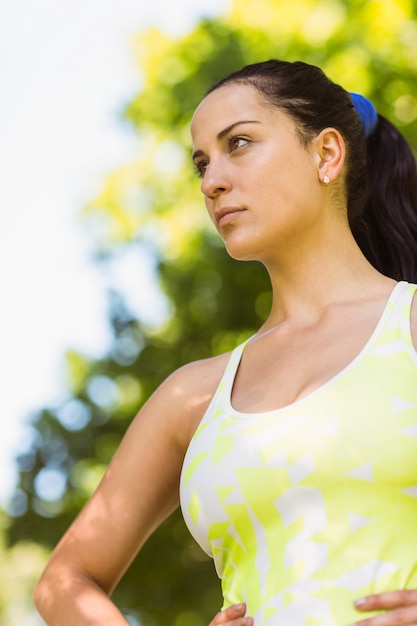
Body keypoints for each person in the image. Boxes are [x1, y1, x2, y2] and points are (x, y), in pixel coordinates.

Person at [34, 59, 417, 626]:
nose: (212, 180)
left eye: (239, 143)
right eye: (202, 163)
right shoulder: (193, 397)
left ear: (327, 155)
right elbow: (63, 582)